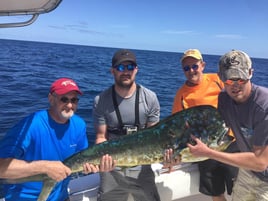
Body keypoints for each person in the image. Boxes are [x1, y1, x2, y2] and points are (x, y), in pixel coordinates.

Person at [0, 78, 115, 201]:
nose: (70, 105)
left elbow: (84, 159)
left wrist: (94, 167)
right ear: (51, 99)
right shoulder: (32, 125)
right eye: (64, 99)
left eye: (74, 100)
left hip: (61, 197)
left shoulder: (79, 125)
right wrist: (45, 167)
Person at [188, 50, 268, 200]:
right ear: (220, 78)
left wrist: (208, 153)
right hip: (248, 171)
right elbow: (213, 131)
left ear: (250, 73)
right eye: (229, 80)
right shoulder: (224, 98)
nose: (235, 85)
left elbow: (260, 162)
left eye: (240, 79)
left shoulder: (264, 106)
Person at [93, 49, 161, 201]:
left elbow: (155, 139)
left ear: (136, 70)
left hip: (142, 168)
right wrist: (100, 162)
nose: (126, 72)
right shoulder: (100, 100)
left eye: (130, 67)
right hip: (111, 169)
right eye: (121, 67)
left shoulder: (150, 98)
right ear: (112, 71)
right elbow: (100, 137)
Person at [172, 49, 238, 201]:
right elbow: (176, 129)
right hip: (204, 150)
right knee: (216, 193)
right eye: (186, 68)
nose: (191, 71)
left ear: (202, 65)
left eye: (194, 66)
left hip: (231, 142)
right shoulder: (181, 94)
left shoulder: (218, 80)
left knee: (239, 189)